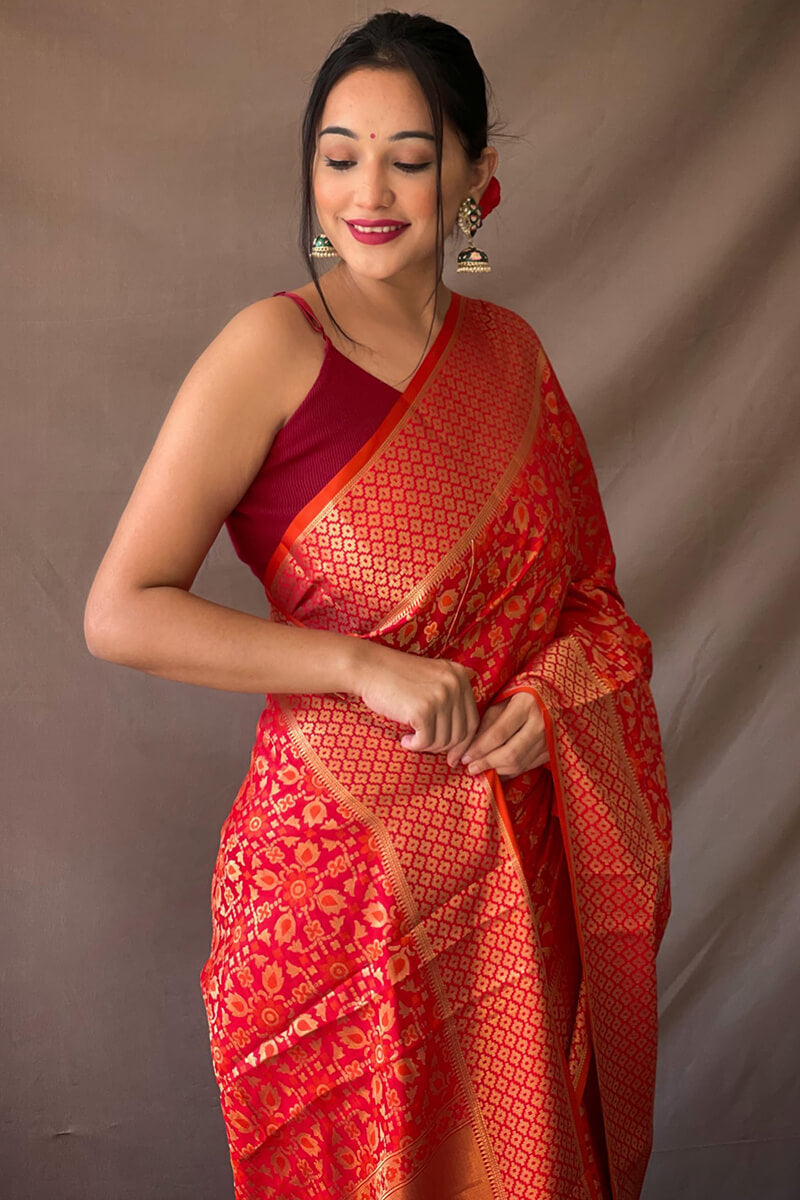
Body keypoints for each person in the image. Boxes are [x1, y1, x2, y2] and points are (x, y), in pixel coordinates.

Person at [84, 11, 672, 1200]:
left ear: (474, 179)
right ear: (309, 170)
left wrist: (544, 705)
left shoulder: (509, 357)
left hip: (512, 883)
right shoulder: (269, 348)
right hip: (334, 890)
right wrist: (360, 665)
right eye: (338, 154)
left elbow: (588, 609)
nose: (370, 189)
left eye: (409, 157)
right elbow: (121, 611)